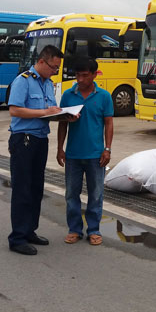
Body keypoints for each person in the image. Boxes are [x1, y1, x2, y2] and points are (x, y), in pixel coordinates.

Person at [6, 45, 74, 256]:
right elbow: (14, 109)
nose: (55, 71)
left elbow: (48, 112)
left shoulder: (47, 84)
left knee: (36, 188)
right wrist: (45, 111)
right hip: (23, 140)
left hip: (40, 140)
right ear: (42, 62)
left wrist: (63, 115)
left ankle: (29, 231)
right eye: (53, 67)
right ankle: (17, 237)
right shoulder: (23, 80)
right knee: (22, 188)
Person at [57, 56, 113, 246]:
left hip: (96, 155)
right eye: (77, 76)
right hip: (73, 155)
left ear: (94, 75)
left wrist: (107, 149)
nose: (80, 80)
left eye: (84, 75)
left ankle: (94, 230)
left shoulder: (104, 96)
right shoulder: (67, 95)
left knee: (96, 194)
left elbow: (108, 123)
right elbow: (62, 124)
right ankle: (74, 229)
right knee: (71, 194)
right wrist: (59, 148)